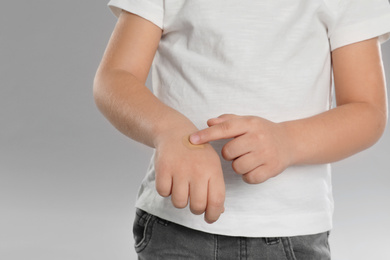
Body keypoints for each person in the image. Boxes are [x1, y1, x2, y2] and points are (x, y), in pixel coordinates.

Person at [93, 0, 390, 259]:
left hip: (292, 231)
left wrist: (288, 141)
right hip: (176, 225)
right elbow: (115, 78)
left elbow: (368, 111)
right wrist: (170, 131)